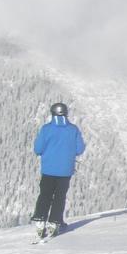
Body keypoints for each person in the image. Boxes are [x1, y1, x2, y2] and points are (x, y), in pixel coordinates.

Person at [31, 102, 86, 238]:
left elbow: (38, 149)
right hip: (65, 170)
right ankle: (54, 223)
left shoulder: (46, 129)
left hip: (48, 169)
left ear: (52, 113)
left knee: (45, 195)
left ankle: (40, 220)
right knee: (59, 197)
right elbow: (80, 149)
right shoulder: (73, 129)